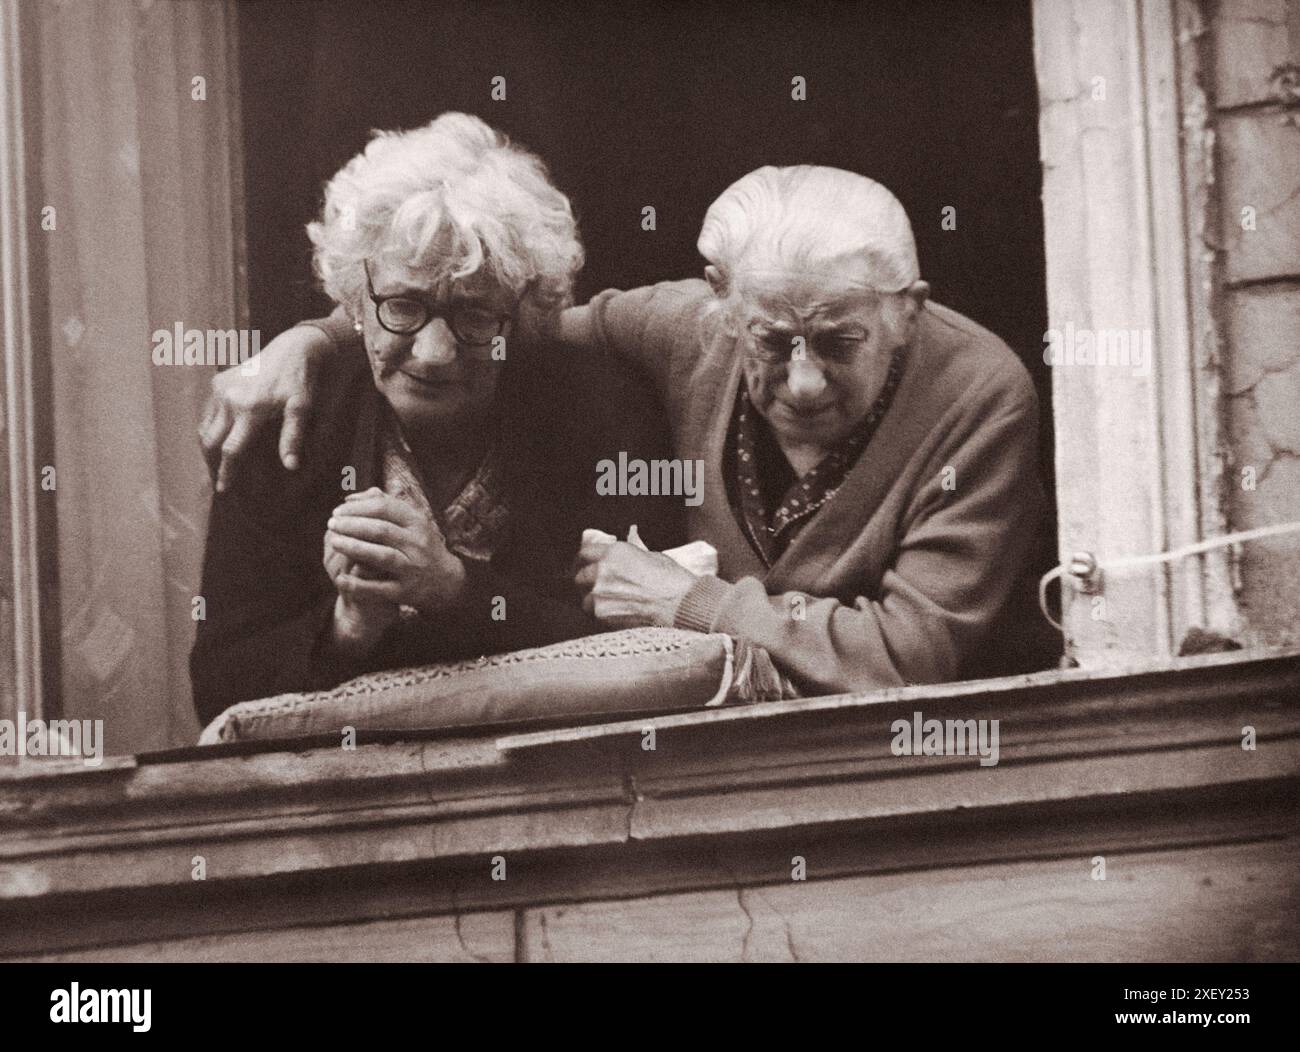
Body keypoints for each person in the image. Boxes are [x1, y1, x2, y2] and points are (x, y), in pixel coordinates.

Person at [203, 165, 1041, 697]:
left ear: (909, 312)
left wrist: (689, 602)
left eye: (840, 341)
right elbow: (481, 319)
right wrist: (315, 338)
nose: (805, 380)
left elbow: (911, 660)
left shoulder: (980, 394)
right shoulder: (686, 329)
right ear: (720, 304)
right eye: (770, 341)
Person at [189, 113, 681, 725]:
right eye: (404, 306)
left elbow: (655, 648)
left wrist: (454, 590)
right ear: (354, 300)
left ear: (523, 313)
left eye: (475, 316)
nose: (434, 353)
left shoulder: (603, 410)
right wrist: (348, 628)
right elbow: (218, 689)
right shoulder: (286, 422)